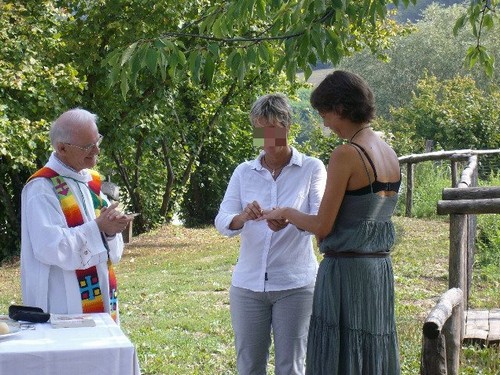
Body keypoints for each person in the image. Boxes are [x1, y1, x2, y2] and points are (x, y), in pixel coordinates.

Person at [261, 71, 401, 374]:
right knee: (370, 352)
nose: (324, 122)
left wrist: (285, 211)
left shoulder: (347, 153)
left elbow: (323, 226)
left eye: (324, 113)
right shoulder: (388, 152)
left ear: (340, 107)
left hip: (346, 274)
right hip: (378, 272)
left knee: (340, 357)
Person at [215, 93, 327, 375]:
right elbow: (222, 220)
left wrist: (289, 217)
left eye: (272, 130)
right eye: (259, 130)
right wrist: (243, 216)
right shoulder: (243, 172)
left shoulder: (312, 168)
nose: (266, 139)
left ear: (288, 127)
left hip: (295, 284)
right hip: (248, 286)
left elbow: (320, 221)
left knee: (290, 367)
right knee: (249, 366)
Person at [20, 108, 133, 322]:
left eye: (97, 141)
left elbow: (108, 247)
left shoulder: (91, 182)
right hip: (64, 302)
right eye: (88, 146)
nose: (97, 150)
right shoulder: (42, 188)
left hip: (100, 291)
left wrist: (110, 230)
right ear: (62, 148)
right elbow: (49, 247)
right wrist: (98, 228)